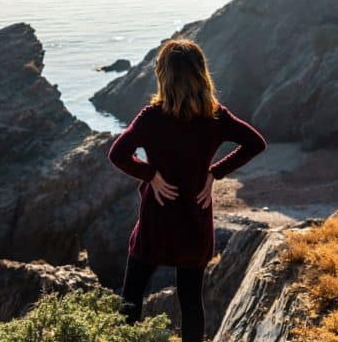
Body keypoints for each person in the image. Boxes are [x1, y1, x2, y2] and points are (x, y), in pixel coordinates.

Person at [106, 38, 267, 342]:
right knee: (191, 302)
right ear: (201, 73)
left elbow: (117, 154)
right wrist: (213, 174)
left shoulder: (152, 117)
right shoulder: (215, 116)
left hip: (157, 220)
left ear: (163, 75)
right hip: (194, 219)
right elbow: (255, 143)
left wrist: (150, 174)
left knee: (131, 300)